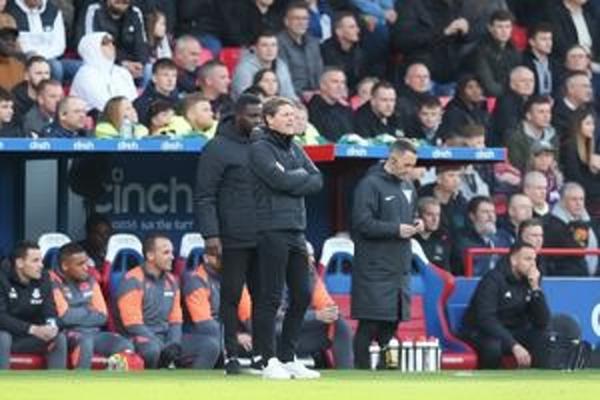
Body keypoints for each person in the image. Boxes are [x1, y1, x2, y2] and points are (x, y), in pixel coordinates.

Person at [249, 96, 323, 379]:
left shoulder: (295, 147)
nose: (292, 119)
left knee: (302, 295)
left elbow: (317, 180)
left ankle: (288, 357)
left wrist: (294, 177)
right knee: (270, 297)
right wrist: (299, 177)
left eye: (293, 114)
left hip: (296, 229)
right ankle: (267, 361)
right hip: (270, 228)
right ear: (269, 119)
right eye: (285, 115)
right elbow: (277, 180)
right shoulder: (259, 148)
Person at [194, 94, 263, 375]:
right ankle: (231, 355)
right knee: (231, 296)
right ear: (237, 116)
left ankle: (262, 355)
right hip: (232, 236)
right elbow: (205, 195)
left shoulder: (263, 145)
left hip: (263, 235)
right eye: (252, 116)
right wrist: (211, 235)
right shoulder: (217, 148)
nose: (257, 121)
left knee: (263, 297)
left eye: (260, 116)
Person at [351, 139, 423, 369]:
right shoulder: (369, 185)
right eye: (407, 165)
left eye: (413, 165)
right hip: (374, 267)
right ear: (392, 159)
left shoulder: (408, 186)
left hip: (399, 267)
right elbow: (362, 223)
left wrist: (417, 223)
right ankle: (361, 372)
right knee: (370, 323)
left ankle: (385, 370)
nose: (410, 170)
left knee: (392, 324)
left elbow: (409, 216)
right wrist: (396, 230)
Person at [460, 241, 550, 369]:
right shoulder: (493, 279)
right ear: (513, 260)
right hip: (483, 333)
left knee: (545, 337)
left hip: (514, 332)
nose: (532, 265)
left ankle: (536, 378)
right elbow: (486, 319)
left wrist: (536, 289)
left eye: (534, 260)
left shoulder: (530, 281)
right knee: (492, 346)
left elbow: (542, 322)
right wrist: (513, 344)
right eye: (527, 259)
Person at [50, 243, 133, 369]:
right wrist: (88, 310)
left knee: (125, 345)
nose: (86, 268)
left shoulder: (91, 280)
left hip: (95, 334)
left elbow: (102, 316)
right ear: (65, 266)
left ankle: (112, 380)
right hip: (69, 334)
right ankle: (80, 380)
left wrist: (75, 312)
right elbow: (64, 317)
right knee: (85, 342)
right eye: (80, 264)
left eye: (86, 263)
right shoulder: (54, 282)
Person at [116, 234, 189, 369]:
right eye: (166, 253)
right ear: (150, 256)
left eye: (172, 252)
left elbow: (176, 320)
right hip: (138, 338)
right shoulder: (132, 280)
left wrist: (174, 344)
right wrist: (163, 347)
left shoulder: (172, 281)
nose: (172, 257)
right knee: (152, 350)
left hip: (166, 337)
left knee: (208, 345)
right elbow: (133, 324)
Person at [0, 241, 67, 369]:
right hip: (6, 335)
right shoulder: (2, 278)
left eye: (41, 260)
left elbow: (50, 310)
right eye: (35, 261)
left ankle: (57, 381)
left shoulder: (44, 278)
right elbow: (1, 317)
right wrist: (32, 329)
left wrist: (51, 327)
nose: (41, 265)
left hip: (28, 337)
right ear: (20, 263)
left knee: (59, 338)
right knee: (3, 338)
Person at [75, 0, 148, 81]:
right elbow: (90, 48)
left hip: (130, 65)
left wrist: (140, 64)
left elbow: (142, 45)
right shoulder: (94, 10)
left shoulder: (135, 12)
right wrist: (121, 64)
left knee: (148, 70)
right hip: (100, 64)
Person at [70, 32, 137, 114]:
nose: (111, 46)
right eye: (105, 43)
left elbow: (134, 101)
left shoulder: (122, 72)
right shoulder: (85, 75)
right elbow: (106, 106)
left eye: (112, 42)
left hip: (126, 116)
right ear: (92, 47)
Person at [179, 254, 226, 369]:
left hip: (225, 332)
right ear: (206, 257)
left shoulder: (231, 277)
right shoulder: (195, 280)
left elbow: (247, 313)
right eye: (217, 256)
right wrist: (231, 337)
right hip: (197, 333)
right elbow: (204, 324)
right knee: (212, 345)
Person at [544, 182, 599, 277]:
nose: (579, 203)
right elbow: (577, 250)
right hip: (565, 279)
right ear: (562, 202)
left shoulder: (591, 223)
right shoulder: (551, 224)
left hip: (594, 279)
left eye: (581, 199)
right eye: (574, 199)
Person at [451, 196, 509, 276]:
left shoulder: (503, 240)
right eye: (485, 212)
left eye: (493, 212)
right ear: (472, 216)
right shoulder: (461, 241)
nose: (491, 216)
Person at [231, 31, 297, 100]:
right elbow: (246, 99)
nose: (270, 49)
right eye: (264, 45)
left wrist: (297, 105)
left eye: (273, 45)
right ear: (255, 48)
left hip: (278, 104)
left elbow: (289, 95)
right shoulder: (244, 69)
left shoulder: (281, 65)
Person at [277, 1, 323, 98]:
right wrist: (301, 93)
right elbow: (282, 78)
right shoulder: (278, 43)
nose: (301, 22)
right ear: (286, 22)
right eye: (296, 18)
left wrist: (321, 91)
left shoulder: (313, 42)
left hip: (316, 95)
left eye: (305, 18)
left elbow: (319, 72)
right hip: (291, 96)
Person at [560, 107, 600, 215]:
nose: (592, 128)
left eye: (593, 124)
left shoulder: (591, 145)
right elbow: (576, 179)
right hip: (580, 196)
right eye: (588, 124)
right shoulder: (569, 147)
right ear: (577, 125)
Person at [473, 9, 522, 97]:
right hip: (487, 98)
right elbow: (490, 87)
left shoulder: (514, 50)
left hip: (510, 95)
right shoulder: (480, 51)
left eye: (507, 27)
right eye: (500, 27)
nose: (504, 31)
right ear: (490, 28)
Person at [507, 95, 557, 173]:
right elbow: (518, 165)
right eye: (541, 112)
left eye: (548, 112)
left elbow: (555, 162)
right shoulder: (515, 137)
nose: (546, 116)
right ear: (529, 116)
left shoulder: (553, 135)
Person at [320, 11, 366, 92]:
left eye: (356, 26)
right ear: (339, 32)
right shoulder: (325, 50)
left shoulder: (358, 51)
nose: (357, 30)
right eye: (352, 27)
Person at [490, 66, 536, 146]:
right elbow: (509, 132)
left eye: (531, 81)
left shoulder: (530, 100)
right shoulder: (506, 102)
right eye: (523, 81)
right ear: (512, 84)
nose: (528, 84)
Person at [307, 67, 353, 142]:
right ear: (323, 85)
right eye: (335, 82)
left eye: (343, 82)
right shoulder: (312, 109)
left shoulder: (345, 109)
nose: (340, 86)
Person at [438, 74, 489, 139]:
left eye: (478, 87)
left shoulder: (481, 109)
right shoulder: (453, 111)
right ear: (461, 90)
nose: (475, 91)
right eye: (470, 87)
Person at [134, 58, 179, 127]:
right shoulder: (142, 104)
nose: (170, 79)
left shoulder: (179, 102)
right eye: (165, 75)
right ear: (154, 78)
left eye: (174, 75)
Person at [552, 71, 593, 143]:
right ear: (570, 89)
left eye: (590, 87)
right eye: (585, 86)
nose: (589, 91)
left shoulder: (591, 111)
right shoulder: (555, 113)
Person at [522, 23, 559, 96]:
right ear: (532, 42)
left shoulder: (555, 63)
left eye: (550, 39)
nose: (548, 43)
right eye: (543, 39)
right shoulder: (522, 62)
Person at [415, 196, 452, 271]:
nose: (435, 219)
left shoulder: (443, 238)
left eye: (437, 215)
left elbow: (446, 271)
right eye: (429, 214)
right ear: (418, 215)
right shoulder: (410, 239)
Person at [394, 63, 432, 130]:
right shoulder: (400, 103)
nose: (423, 80)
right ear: (407, 80)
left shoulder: (433, 100)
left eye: (426, 77)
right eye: (418, 77)